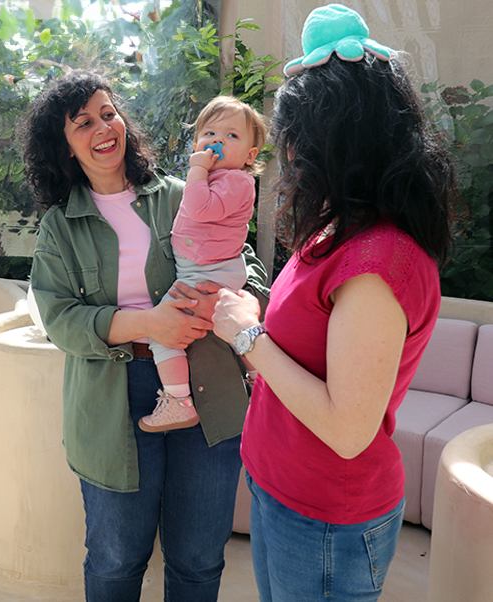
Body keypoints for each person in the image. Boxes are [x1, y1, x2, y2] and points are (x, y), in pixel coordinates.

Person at [211, 5, 459, 601]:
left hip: (324, 515)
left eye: (297, 138)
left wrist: (247, 335)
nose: (290, 154)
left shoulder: (380, 262)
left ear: (337, 140)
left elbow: (348, 429)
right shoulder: (341, 228)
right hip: (283, 490)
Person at [21, 69, 268, 602]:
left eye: (108, 113)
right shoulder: (60, 227)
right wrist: (148, 324)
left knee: (199, 561)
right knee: (114, 562)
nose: (102, 128)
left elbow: (249, 267)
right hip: (114, 403)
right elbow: (58, 316)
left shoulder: (184, 194)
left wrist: (242, 303)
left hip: (208, 385)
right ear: (63, 147)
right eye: (82, 123)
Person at [139, 95, 267, 432]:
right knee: (229, 329)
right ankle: (259, 379)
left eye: (231, 136)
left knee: (162, 331)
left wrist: (196, 169)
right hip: (207, 267)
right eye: (209, 134)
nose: (217, 142)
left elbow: (199, 209)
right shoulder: (220, 179)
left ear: (250, 156)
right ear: (196, 141)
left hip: (206, 272)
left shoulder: (237, 181)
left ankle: (178, 400)